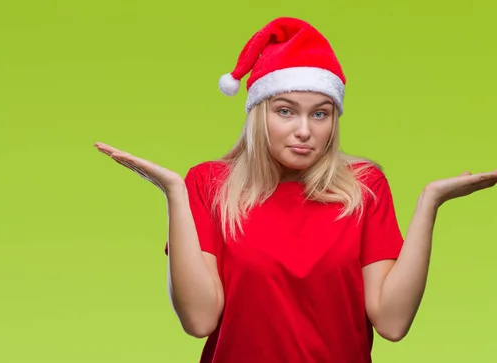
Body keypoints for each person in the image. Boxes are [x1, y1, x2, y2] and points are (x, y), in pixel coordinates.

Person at [94, 17, 497, 363]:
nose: (305, 130)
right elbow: (199, 321)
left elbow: (392, 323)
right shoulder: (209, 185)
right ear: (257, 114)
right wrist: (174, 193)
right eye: (285, 111)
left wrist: (430, 201)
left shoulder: (363, 188)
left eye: (320, 113)